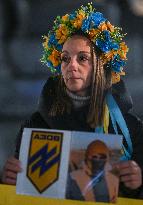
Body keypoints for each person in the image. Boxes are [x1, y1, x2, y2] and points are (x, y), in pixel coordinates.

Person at [1, 3, 143, 199]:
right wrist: (8, 180)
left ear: (101, 66)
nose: (71, 66)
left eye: (82, 58)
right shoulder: (35, 126)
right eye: (65, 58)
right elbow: (22, 194)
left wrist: (137, 182)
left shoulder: (131, 130)